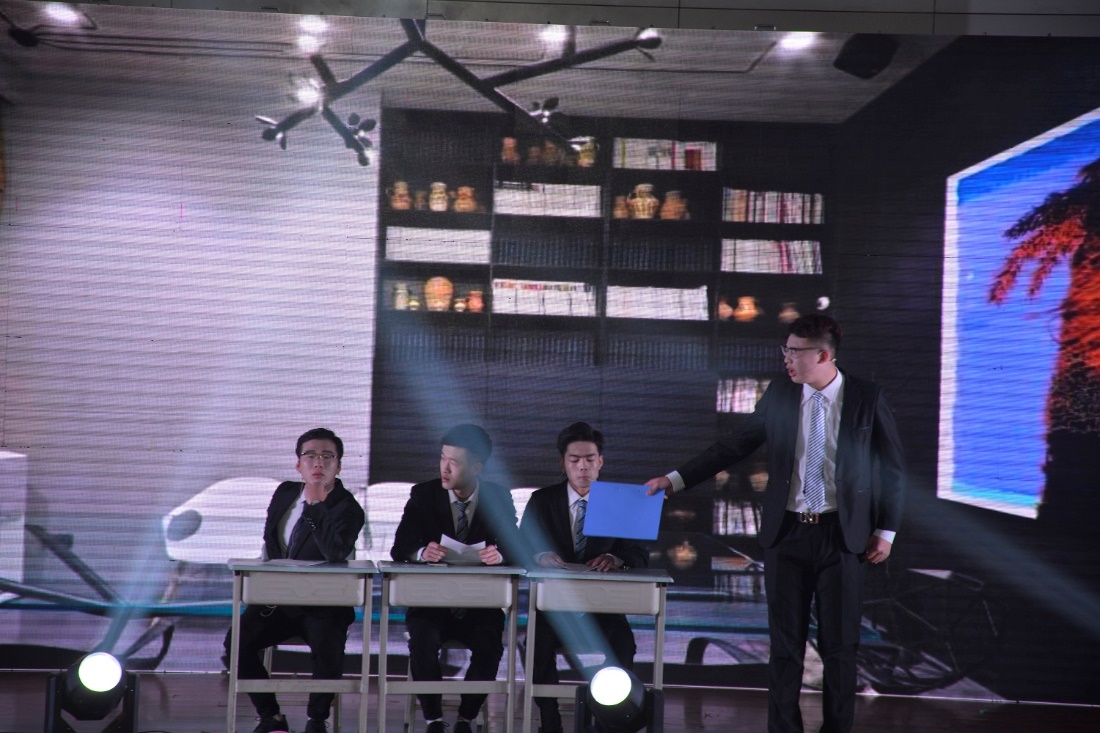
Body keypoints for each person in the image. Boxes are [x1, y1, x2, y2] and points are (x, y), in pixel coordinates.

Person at [646, 314, 906, 733]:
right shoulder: (782, 393)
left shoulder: (866, 396)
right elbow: (733, 445)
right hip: (787, 534)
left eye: (795, 352)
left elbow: (892, 469)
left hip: (843, 537)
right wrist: (675, 480)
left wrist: (886, 530)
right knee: (785, 648)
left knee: (840, 648)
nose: (786, 358)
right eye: (785, 349)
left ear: (823, 355)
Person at [224, 427, 365, 733]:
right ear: (298, 464)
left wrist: (316, 507)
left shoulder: (349, 508)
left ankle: (317, 719)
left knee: (328, 649)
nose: (318, 462)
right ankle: (270, 716)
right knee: (236, 642)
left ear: (339, 465)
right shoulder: (285, 493)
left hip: (324, 604)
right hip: (277, 602)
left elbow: (335, 553)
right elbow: (272, 543)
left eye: (327, 456)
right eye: (310, 455)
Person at [520, 421, 649, 733]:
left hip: (604, 608)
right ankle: (549, 718)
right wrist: (539, 555)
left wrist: (615, 558)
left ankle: (608, 719)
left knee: (623, 643)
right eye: (574, 460)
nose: (583, 467)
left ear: (600, 461)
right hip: (554, 608)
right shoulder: (543, 500)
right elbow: (520, 546)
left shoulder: (619, 502)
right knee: (535, 643)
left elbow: (640, 554)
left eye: (590, 459)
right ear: (563, 463)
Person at [390, 424, 518, 733]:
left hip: (479, 603)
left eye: (455, 462)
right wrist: (422, 552)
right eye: (442, 458)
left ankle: (466, 718)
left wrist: (500, 555)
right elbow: (400, 547)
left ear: (477, 468)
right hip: (431, 601)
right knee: (423, 640)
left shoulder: (498, 498)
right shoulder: (424, 494)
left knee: (490, 646)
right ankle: (433, 719)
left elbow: (517, 547)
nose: (445, 469)